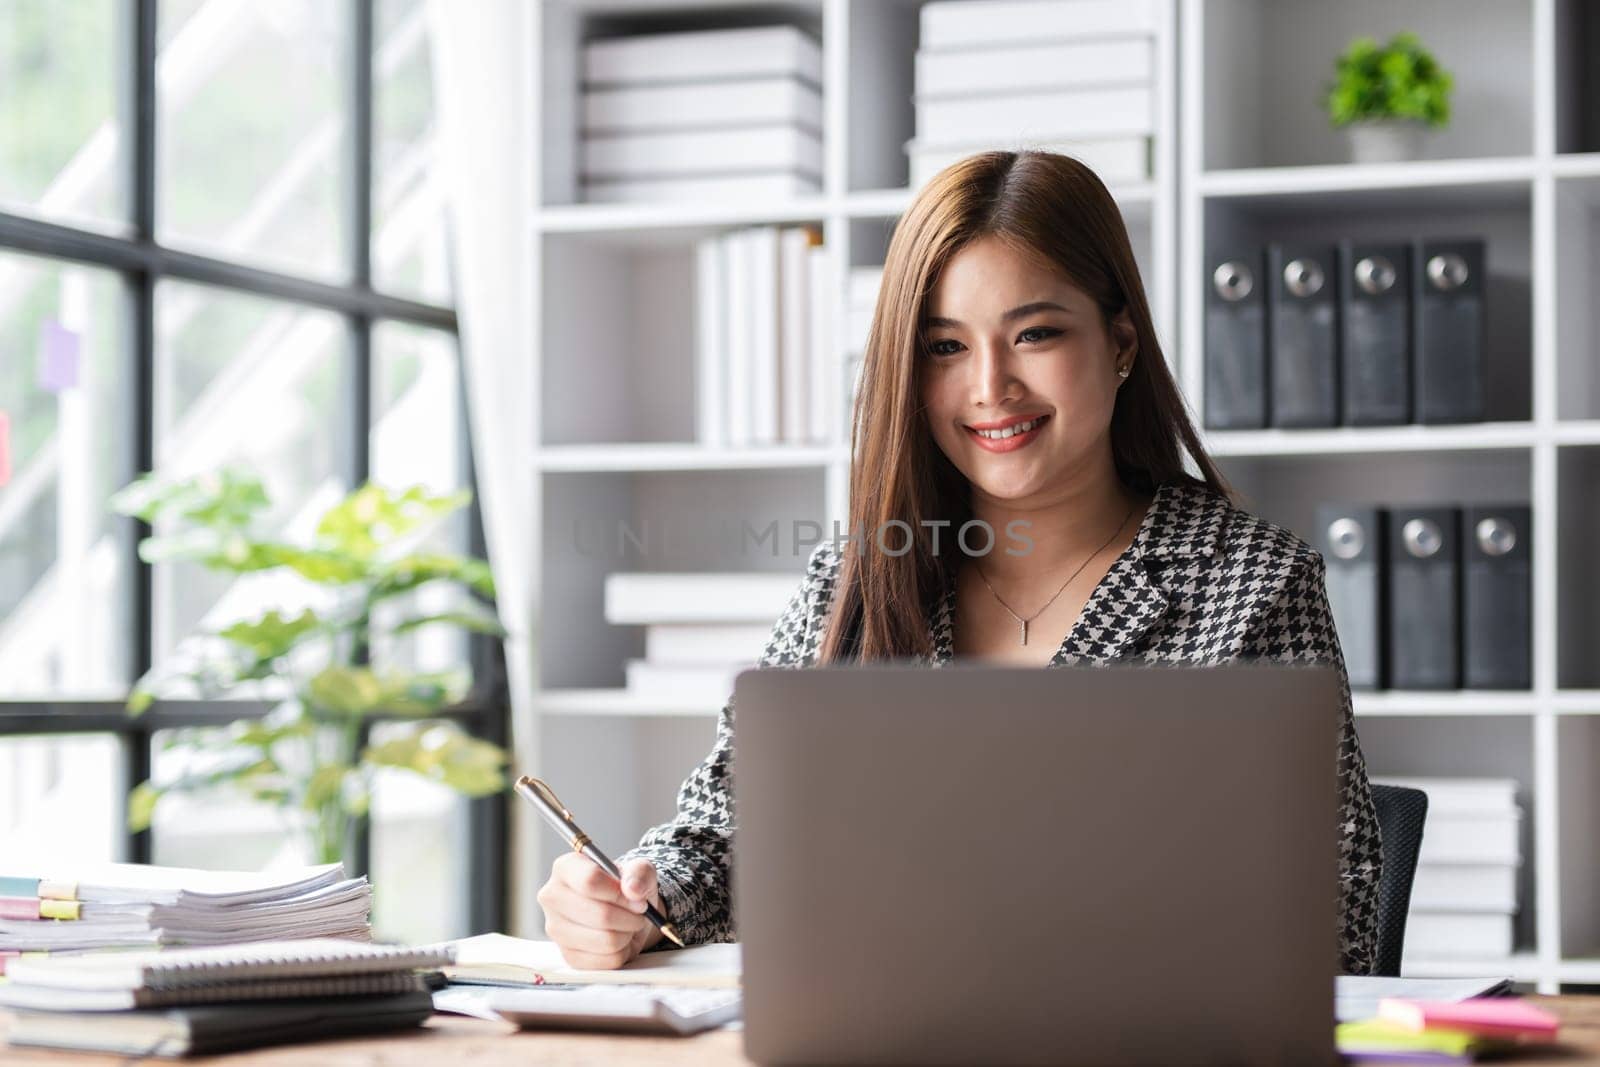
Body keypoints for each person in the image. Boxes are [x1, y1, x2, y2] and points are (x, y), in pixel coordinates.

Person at [535, 149, 1384, 975]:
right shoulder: (862, 576)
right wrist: (635, 902)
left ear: (1120, 342)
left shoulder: (1253, 583)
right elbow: (724, 832)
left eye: (1036, 333)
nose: (990, 386)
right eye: (945, 347)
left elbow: (1327, 924)